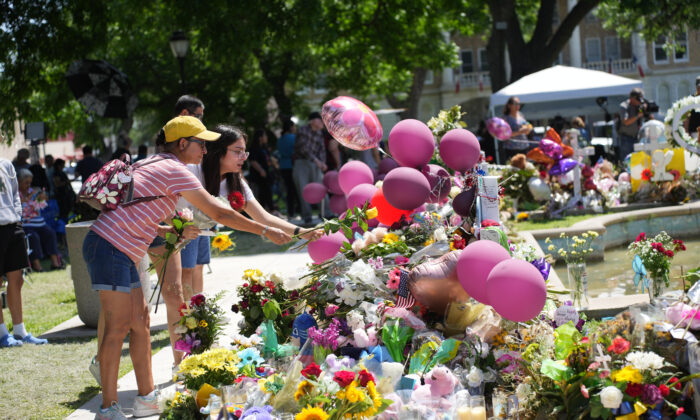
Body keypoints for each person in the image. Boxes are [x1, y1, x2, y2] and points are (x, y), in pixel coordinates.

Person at [84, 116, 291, 419]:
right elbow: (219, 210)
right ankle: (108, 408)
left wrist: (167, 231)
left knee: (140, 324)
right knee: (117, 330)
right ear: (183, 144)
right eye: (201, 144)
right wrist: (263, 230)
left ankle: (146, 399)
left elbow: (135, 211)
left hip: (120, 248)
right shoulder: (174, 169)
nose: (206, 151)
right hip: (109, 246)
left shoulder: (153, 163)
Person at [162, 124, 323, 368]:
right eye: (237, 151)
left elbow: (263, 216)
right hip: (172, 235)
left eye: (245, 152)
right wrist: (175, 227)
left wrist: (303, 232)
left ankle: (193, 356)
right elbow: (166, 202)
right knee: (178, 299)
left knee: (193, 296)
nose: (243, 158)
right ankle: (180, 363)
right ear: (218, 151)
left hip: (198, 235)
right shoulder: (192, 171)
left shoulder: (237, 181)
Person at [0, 158, 48, 348]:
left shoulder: (6, 164)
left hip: (12, 226)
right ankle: (3, 333)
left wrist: (17, 216)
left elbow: (14, 193)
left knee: (17, 279)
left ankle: (20, 331)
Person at [17, 169, 63, 271]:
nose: (28, 185)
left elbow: (44, 199)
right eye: (26, 183)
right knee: (33, 237)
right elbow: (22, 202)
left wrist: (43, 197)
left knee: (50, 233)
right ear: (18, 182)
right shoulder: (16, 195)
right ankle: (37, 266)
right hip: (26, 225)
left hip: (40, 223)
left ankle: (55, 263)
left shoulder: (36, 191)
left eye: (30, 182)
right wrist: (30, 196)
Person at [293, 112, 328, 224]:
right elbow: (304, 149)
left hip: (315, 163)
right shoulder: (303, 130)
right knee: (303, 189)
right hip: (301, 163)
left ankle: (326, 213)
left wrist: (323, 162)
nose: (322, 123)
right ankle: (307, 215)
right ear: (313, 121)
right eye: (320, 120)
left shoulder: (319, 133)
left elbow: (322, 150)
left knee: (320, 187)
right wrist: (317, 161)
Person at [277, 119, 300, 218]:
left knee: (288, 190)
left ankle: (290, 212)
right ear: (291, 127)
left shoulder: (280, 139)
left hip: (283, 166)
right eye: (294, 126)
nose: (295, 128)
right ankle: (299, 210)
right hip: (293, 165)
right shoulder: (294, 138)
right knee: (296, 189)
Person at [248, 129, 275, 211]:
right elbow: (252, 160)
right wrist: (261, 170)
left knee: (267, 192)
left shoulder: (264, 147)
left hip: (267, 174)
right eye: (265, 135)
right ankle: (270, 210)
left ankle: (270, 210)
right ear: (260, 137)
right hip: (259, 175)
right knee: (262, 194)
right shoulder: (254, 148)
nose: (266, 137)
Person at [618, 88, 646, 162]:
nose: (640, 101)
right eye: (638, 99)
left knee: (639, 161)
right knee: (627, 161)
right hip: (627, 138)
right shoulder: (624, 106)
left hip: (639, 138)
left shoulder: (640, 106)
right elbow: (625, 122)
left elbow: (649, 119)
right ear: (632, 98)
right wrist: (638, 116)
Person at [502, 97, 532, 161]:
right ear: (509, 105)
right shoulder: (505, 118)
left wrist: (528, 129)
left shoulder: (521, 115)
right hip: (512, 149)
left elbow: (527, 125)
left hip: (524, 147)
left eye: (518, 104)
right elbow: (505, 134)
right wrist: (520, 132)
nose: (517, 106)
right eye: (515, 104)